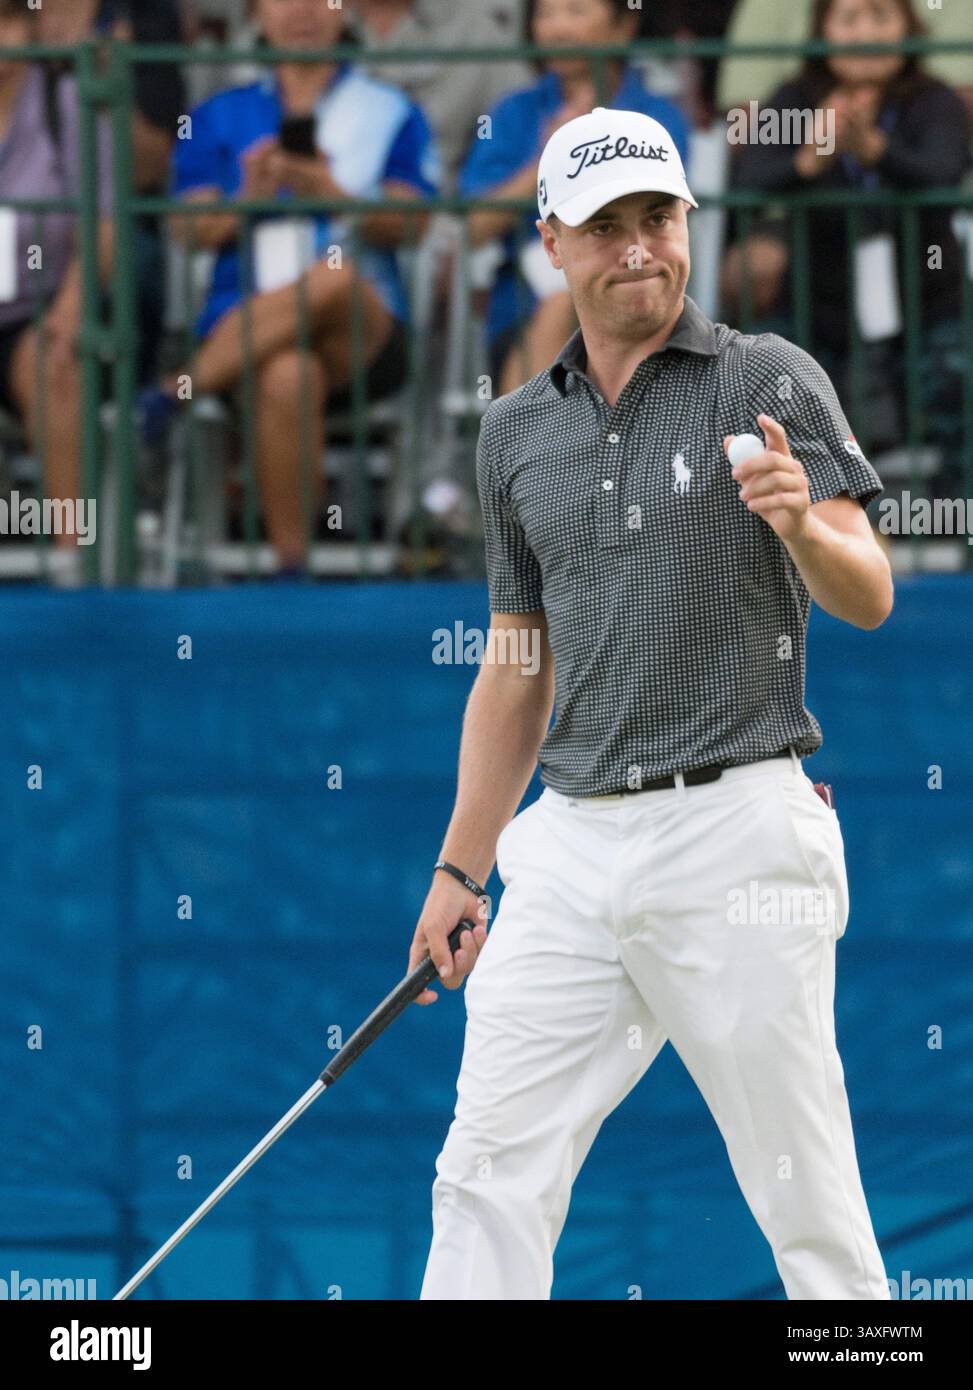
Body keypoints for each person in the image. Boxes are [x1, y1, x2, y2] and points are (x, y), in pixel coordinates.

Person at [410, 105, 895, 1300]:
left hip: (736, 826)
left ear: (688, 223)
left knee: (805, 1191)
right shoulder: (514, 432)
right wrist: (460, 872)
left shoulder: (767, 375)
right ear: (554, 243)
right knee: (483, 1169)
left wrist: (797, 519)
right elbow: (516, 665)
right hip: (568, 846)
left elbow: (869, 588)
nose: (639, 249)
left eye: (658, 219)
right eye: (607, 226)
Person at [147, 0, 440, 576]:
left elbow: (414, 224)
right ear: (256, 15)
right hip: (247, 334)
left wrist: (335, 194)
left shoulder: (389, 110)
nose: (303, 10)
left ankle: (171, 394)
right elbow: (188, 230)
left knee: (334, 277)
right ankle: (292, 570)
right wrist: (247, 199)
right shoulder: (218, 115)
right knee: (287, 374)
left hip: (363, 330)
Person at [722, 0, 971, 498]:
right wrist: (809, 162)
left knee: (959, 392)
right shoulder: (795, 99)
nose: (865, 33)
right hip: (819, 301)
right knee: (774, 396)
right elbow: (747, 179)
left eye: (881, 17)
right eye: (849, 19)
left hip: (927, 296)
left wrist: (875, 149)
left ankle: (955, 534)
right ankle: (817, 535)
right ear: (823, 32)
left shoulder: (933, 99)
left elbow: (944, 171)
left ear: (908, 29)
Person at [458, 0, 690, 396]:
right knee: (564, 295)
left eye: (575, 11)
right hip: (521, 310)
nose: (556, 28)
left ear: (624, 26)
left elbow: (661, 211)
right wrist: (549, 156)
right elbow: (474, 228)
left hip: (639, 295)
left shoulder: (657, 117)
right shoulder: (514, 112)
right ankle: (529, 448)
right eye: (545, 14)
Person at [0, 0, 114, 581]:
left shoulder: (65, 104)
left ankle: (77, 562)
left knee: (58, 368)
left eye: (9, 19)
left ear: (32, 27)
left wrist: (72, 308)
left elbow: (107, 220)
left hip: (35, 309)